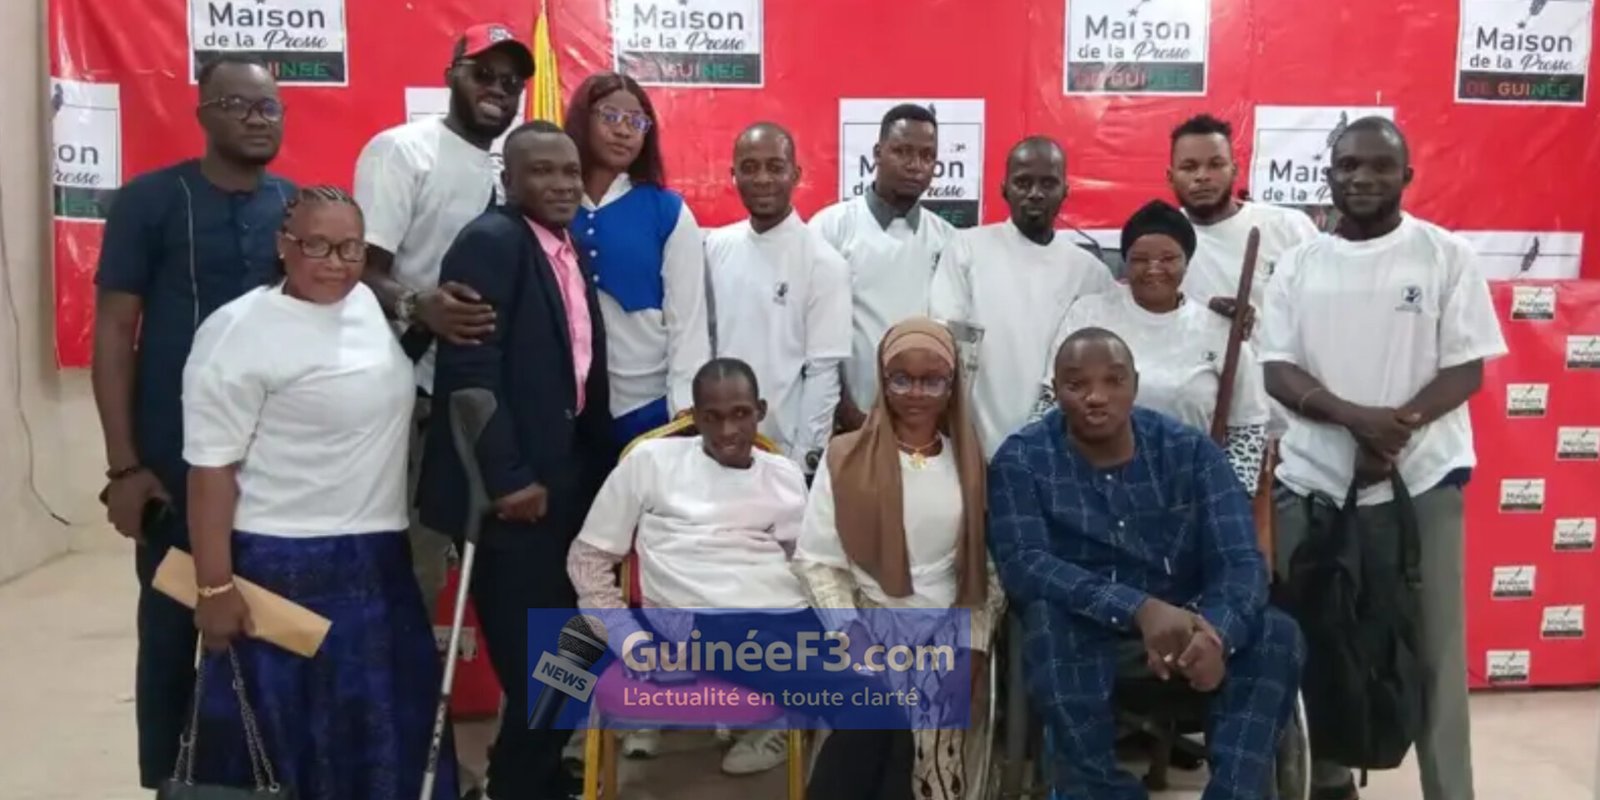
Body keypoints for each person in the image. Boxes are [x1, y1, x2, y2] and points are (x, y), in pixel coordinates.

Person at [181, 186, 455, 799]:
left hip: (379, 563)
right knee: (284, 749)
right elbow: (210, 470)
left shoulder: (366, 306)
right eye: (317, 246)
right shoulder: (236, 332)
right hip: (280, 567)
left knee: (385, 744)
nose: (336, 263)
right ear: (284, 245)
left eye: (351, 248)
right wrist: (214, 587)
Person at [1260, 117, 1505, 800]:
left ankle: (1449, 790)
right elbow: (1277, 370)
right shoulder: (1299, 264)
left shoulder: (1445, 255)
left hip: (1421, 483)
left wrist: (1396, 433)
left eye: (1379, 166)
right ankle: (1329, 781)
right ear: (1328, 175)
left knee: (1435, 653)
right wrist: (1358, 422)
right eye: (1348, 166)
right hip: (1313, 485)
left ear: (1407, 176)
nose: (1362, 178)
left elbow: (1465, 369)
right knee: (1318, 642)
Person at [90, 53, 294, 790]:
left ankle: (262, 777)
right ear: (202, 113)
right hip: (172, 464)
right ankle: (173, 782)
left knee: (269, 629)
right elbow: (115, 333)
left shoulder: (297, 208)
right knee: (176, 624)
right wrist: (124, 467)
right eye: (237, 105)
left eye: (268, 107)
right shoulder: (149, 201)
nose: (256, 118)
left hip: (273, 468)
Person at [988, 327, 1305, 800]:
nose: (1097, 396)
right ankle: (1096, 791)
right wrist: (1139, 609)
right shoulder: (1023, 460)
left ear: (1135, 385)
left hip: (1194, 626)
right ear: (1056, 392)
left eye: (1113, 380)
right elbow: (1025, 564)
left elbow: (1240, 561)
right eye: (1077, 384)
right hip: (1088, 631)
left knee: (1277, 634)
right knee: (1047, 624)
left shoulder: (1191, 453)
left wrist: (1217, 633)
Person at [418, 121, 613, 800]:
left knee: (574, 652)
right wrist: (508, 480)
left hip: (567, 487)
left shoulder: (562, 244)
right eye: (542, 171)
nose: (561, 184)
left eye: (570, 171)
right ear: (509, 179)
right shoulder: (491, 242)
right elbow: (469, 375)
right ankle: (519, 787)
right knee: (544, 670)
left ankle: (531, 779)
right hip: (513, 500)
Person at [353, 23, 534, 617]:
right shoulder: (403, 150)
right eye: (483, 74)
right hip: (412, 396)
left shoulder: (514, 170)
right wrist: (417, 305)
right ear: (451, 76)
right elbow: (360, 268)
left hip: (485, 394)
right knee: (411, 564)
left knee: (484, 567)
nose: (498, 89)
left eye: (511, 82)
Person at [567, 357, 811, 775]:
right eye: (712, 417)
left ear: (761, 412)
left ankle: (793, 716)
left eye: (740, 414)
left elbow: (807, 567)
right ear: (694, 417)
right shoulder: (649, 463)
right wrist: (628, 640)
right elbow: (587, 561)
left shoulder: (785, 475)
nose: (728, 431)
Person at [793, 318, 1003, 800]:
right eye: (901, 378)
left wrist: (972, 650)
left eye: (932, 380)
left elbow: (987, 571)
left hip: (946, 629)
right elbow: (817, 562)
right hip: (863, 620)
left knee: (926, 746)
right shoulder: (845, 456)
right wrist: (852, 635)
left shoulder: (970, 461)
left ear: (952, 385)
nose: (916, 393)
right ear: (882, 380)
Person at [1039, 200, 1271, 492]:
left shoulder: (1219, 329)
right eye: (1140, 259)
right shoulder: (1089, 314)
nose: (1153, 269)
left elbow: (1248, 427)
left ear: (1187, 261)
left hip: (1186, 493)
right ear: (1125, 261)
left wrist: (1227, 495)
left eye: (1168, 258)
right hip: (1091, 488)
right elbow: (1050, 401)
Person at [929, 136, 1115, 457]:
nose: (1035, 193)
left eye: (1048, 183)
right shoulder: (966, 248)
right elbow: (949, 340)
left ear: (1065, 190)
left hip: (1061, 449)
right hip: (972, 442)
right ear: (1004, 189)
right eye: (1023, 182)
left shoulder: (1091, 273)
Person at [564, 72, 710, 445]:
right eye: (610, 116)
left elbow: (688, 321)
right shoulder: (553, 205)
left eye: (636, 122)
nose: (623, 131)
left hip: (646, 405)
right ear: (582, 119)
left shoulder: (667, 211)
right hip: (565, 404)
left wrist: (684, 410)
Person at [705, 122, 852, 473]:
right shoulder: (714, 247)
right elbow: (703, 344)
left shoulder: (824, 262)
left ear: (795, 174)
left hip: (782, 452)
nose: (762, 179)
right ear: (733, 175)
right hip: (715, 442)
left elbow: (823, 373)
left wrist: (802, 462)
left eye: (775, 167)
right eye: (749, 167)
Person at [812, 103, 957, 432]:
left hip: (923, 420)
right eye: (902, 151)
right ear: (878, 153)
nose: (915, 165)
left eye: (927, 156)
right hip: (846, 418)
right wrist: (842, 407)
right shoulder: (831, 228)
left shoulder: (948, 239)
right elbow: (816, 331)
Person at [1167, 114, 1319, 339]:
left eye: (1215, 165)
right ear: (1170, 176)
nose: (1202, 176)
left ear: (1234, 170)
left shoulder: (1289, 226)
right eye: (1189, 167)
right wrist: (1204, 310)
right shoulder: (1160, 238)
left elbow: (1325, 310)